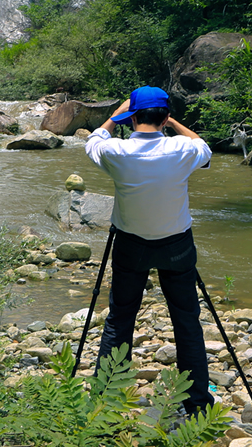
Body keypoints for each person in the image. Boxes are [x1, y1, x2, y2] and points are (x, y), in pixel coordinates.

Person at [84, 85, 214, 416]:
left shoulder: (117, 152)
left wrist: (116, 115)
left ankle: (108, 399)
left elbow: (92, 141)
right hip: (177, 246)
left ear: (133, 117)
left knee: (120, 318)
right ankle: (197, 404)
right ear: (164, 117)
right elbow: (204, 147)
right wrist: (173, 124)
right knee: (186, 321)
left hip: (130, 246)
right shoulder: (183, 149)